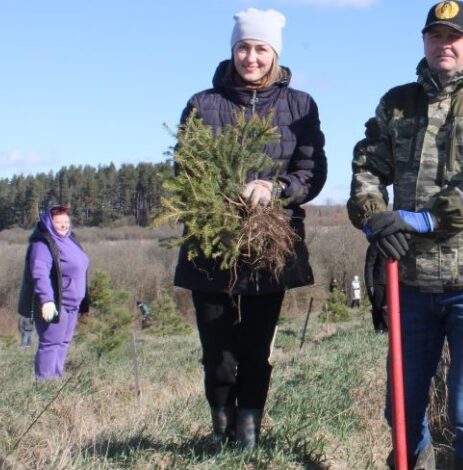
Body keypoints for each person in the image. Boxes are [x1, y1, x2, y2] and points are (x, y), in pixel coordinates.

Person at [347, 2, 463, 468]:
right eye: (435, 36)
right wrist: (376, 219)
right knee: (402, 408)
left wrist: (426, 219)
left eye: (454, 36)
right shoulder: (397, 103)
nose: (443, 44)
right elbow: (367, 166)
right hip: (411, 279)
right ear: (424, 42)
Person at [172, 7, 327, 449]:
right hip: (211, 244)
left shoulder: (299, 105)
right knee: (219, 353)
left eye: (260, 48)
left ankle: (248, 437)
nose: (251, 57)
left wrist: (275, 189)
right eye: (243, 47)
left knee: (256, 350)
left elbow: (311, 171)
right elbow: (186, 168)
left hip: (268, 246)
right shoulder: (203, 104)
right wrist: (224, 196)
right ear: (232, 50)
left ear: (274, 53)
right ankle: (220, 433)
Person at [17, 205, 89, 381]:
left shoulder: (70, 239)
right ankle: (45, 384)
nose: (64, 225)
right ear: (49, 223)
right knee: (51, 343)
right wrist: (47, 300)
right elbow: (39, 273)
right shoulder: (42, 244)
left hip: (73, 303)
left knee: (63, 342)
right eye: (58, 222)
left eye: (66, 221)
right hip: (56, 303)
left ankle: (56, 378)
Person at [364, 244, 389, 332]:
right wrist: (370, 284)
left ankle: (387, 330)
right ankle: (379, 330)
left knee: (388, 308)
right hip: (377, 282)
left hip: (392, 282)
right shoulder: (374, 246)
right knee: (378, 307)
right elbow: (369, 266)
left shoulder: (394, 244)